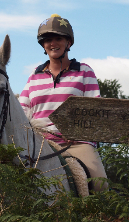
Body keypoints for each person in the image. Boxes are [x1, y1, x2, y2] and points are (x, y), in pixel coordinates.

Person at [19, 14, 108, 192]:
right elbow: (23, 112)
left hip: (76, 143)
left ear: (68, 42)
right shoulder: (33, 76)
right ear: (43, 45)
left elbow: (94, 110)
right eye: (48, 39)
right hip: (40, 143)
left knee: (100, 185)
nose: (53, 43)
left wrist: (77, 131)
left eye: (58, 38)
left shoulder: (84, 72)